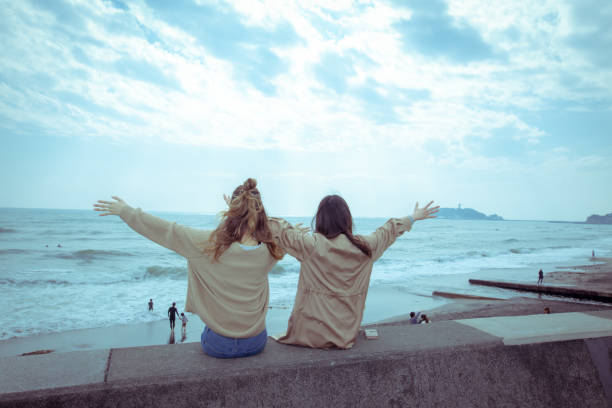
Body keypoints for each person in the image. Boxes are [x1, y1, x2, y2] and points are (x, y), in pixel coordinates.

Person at [94, 178, 285, 358]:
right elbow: (276, 227)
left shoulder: (208, 245)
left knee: (209, 332)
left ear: (232, 211)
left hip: (218, 345)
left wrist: (126, 212)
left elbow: (168, 230)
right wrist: (244, 212)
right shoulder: (270, 249)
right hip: (256, 343)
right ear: (260, 212)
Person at [269, 195, 438, 349]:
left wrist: (291, 229)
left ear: (320, 219)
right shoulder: (365, 246)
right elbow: (389, 230)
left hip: (308, 335)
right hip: (344, 335)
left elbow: (278, 229)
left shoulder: (311, 245)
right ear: (347, 219)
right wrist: (413, 217)